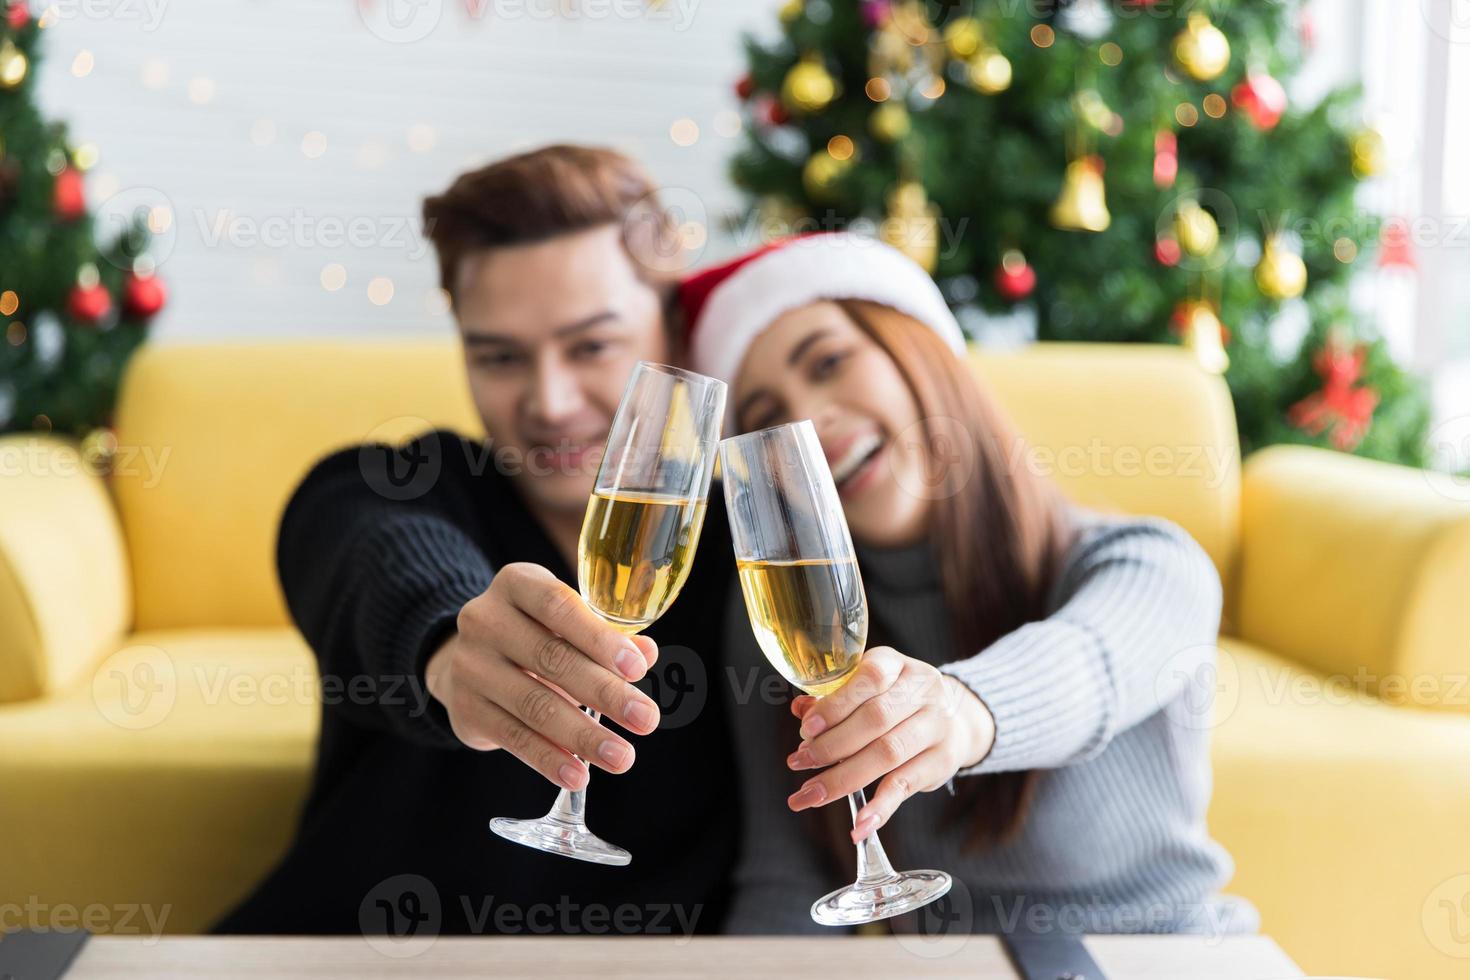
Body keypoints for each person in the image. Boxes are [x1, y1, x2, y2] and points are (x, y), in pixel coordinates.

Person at [213, 145, 739, 936]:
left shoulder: (756, 548)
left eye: (592, 346)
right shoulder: (408, 484)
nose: (550, 402)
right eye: (498, 357)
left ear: (671, 328)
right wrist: (448, 646)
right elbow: (355, 540)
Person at [680, 232, 1258, 937]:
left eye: (830, 362)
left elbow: (1089, 669)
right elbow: (785, 884)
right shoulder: (781, 624)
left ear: (922, 353)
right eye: (768, 419)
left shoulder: (1149, 564)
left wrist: (961, 709)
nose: (810, 423)